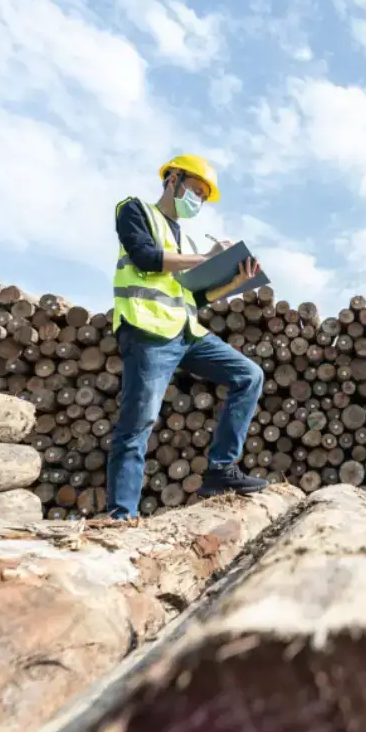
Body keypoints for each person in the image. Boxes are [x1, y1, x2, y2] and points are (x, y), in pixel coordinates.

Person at [105, 153, 268, 520]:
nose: (196, 200)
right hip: (147, 329)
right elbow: (146, 258)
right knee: (138, 422)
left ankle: (220, 470)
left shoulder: (184, 238)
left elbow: (192, 296)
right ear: (172, 179)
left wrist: (234, 282)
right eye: (195, 190)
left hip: (186, 331)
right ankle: (120, 516)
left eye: (201, 195)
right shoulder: (134, 210)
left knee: (249, 375)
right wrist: (207, 258)